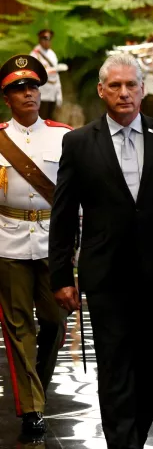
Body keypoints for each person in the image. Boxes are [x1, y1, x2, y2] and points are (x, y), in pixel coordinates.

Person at [49, 53, 153, 448]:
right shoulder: (77, 143)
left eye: (131, 85)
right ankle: (122, 444)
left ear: (143, 90)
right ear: (101, 91)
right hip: (105, 274)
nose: (124, 93)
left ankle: (134, 439)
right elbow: (63, 215)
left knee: (149, 365)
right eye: (115, 86)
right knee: (113, 366)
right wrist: (61, 275)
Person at [0, 55, 70, 437]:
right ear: (6, 98)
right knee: (18, 327)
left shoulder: (64, 136)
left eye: (32, 87)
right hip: (7, 242)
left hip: (53, 244)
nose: (28, 94)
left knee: (55, 321)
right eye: (18, 89)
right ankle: (31, 409)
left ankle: (34, 385)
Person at [30, 30, 66, 121]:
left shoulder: (52, 54)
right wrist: (50, 70)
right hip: (41, 92)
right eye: (45, 39)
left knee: (50, 121)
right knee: (40, 119)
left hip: (52, 92)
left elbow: (56, 75)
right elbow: (33, 73)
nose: (47, 42)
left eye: (49, 39)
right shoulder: (34, 55)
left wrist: (59, 94)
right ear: (40, 40)